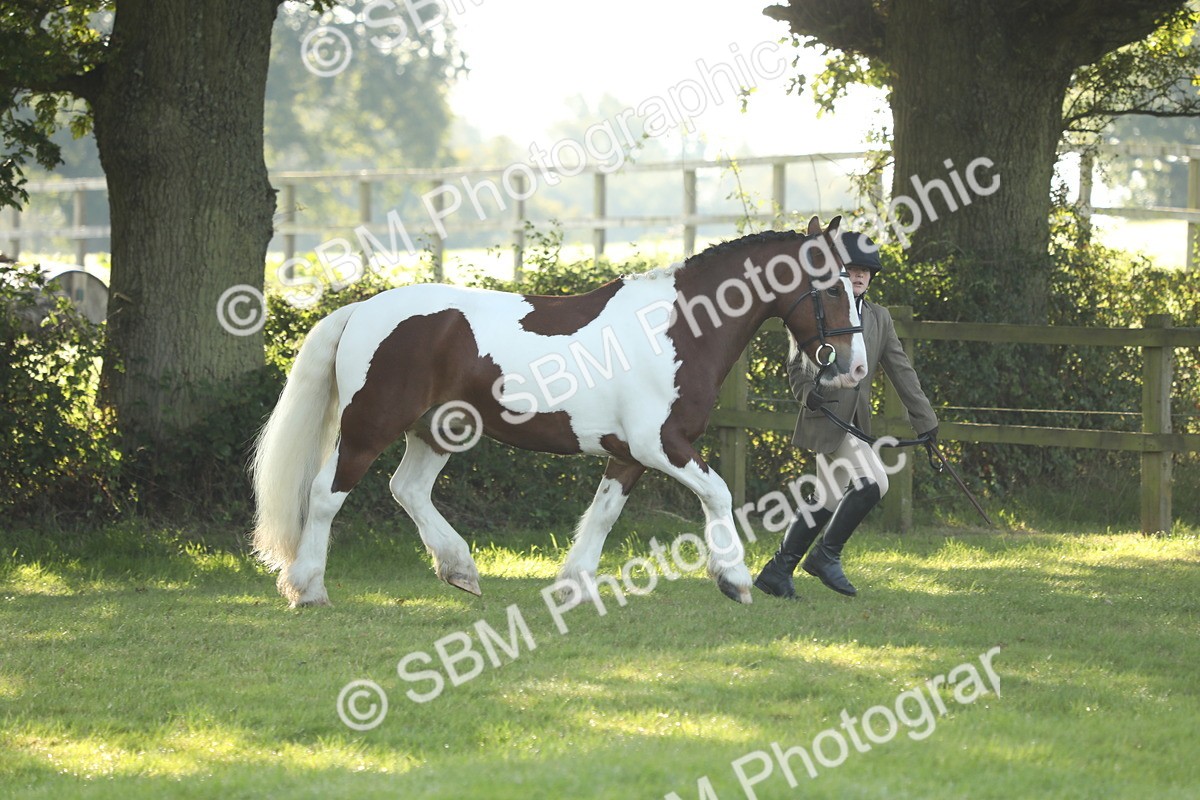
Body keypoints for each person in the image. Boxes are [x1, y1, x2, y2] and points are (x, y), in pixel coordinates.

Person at [754, 231, 939, 600]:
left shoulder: (880, 319)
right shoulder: (818, 308)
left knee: (829, 498)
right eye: (851, 269)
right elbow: (796, 367)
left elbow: (902, 372)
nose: (858, 277)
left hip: (856, 423)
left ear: (871, 278)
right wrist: (809, 395)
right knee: (875, 483)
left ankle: (778, 570)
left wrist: (927, 422)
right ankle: (825, 556)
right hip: (826, 415)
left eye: (864, 272)